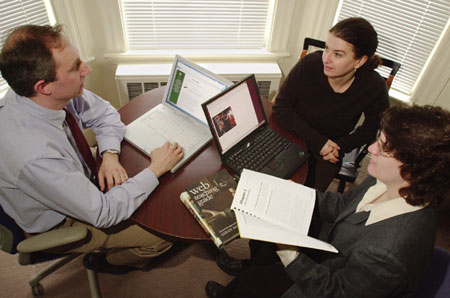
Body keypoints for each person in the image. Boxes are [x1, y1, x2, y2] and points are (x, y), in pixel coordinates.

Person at [205, 104, 450, 297]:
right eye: (378, 139)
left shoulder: (388, 253)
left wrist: (289, 251)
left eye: (384, 148)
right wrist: (294, 192)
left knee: (262, 277)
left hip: (332, 282)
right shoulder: (389, 181)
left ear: (414, 170)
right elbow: (343, 205)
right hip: (338, 245)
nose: (371, 149)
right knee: (261, 256)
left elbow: (335, 293)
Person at [0, 24, 184, 274]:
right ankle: (108, 262)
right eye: (75, 67)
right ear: (44, 86)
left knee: (158, 195)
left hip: (78, 181)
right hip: (61, 220)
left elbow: (106, 114)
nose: (86, 69)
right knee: (163, 232)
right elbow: (104, 213)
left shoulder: (41, 96)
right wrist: (155, 170)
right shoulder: (34, 155)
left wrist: (109, 155)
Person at [273, 17, 389, 192]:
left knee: (307, 198)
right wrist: (320, 142)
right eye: (326, 48)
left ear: (360, 61)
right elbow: (281, 107)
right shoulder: (310, 64)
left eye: (338, 54)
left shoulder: (373, 86)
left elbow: (372, 128)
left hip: (330, 151)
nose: (326, 59)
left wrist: (337, 146)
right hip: (291, 133)